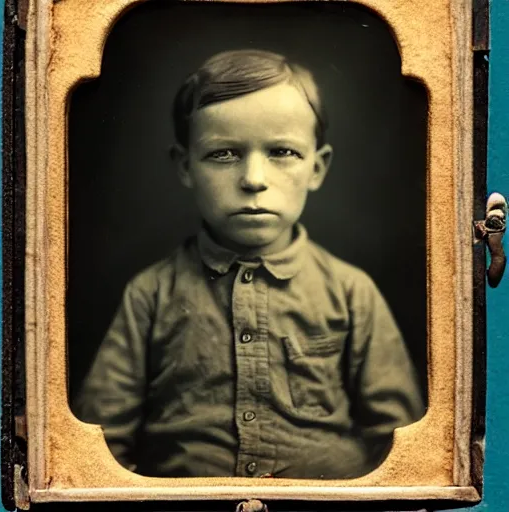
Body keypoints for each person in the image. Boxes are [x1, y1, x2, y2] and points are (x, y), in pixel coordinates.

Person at [74, 49, 424, 479]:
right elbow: (99, 444)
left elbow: (403, 446)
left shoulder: (352, 292)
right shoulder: (150, 294)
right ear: (186, 166)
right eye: (223, 154)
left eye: (282, 151)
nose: (254, 179)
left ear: (317, 167)